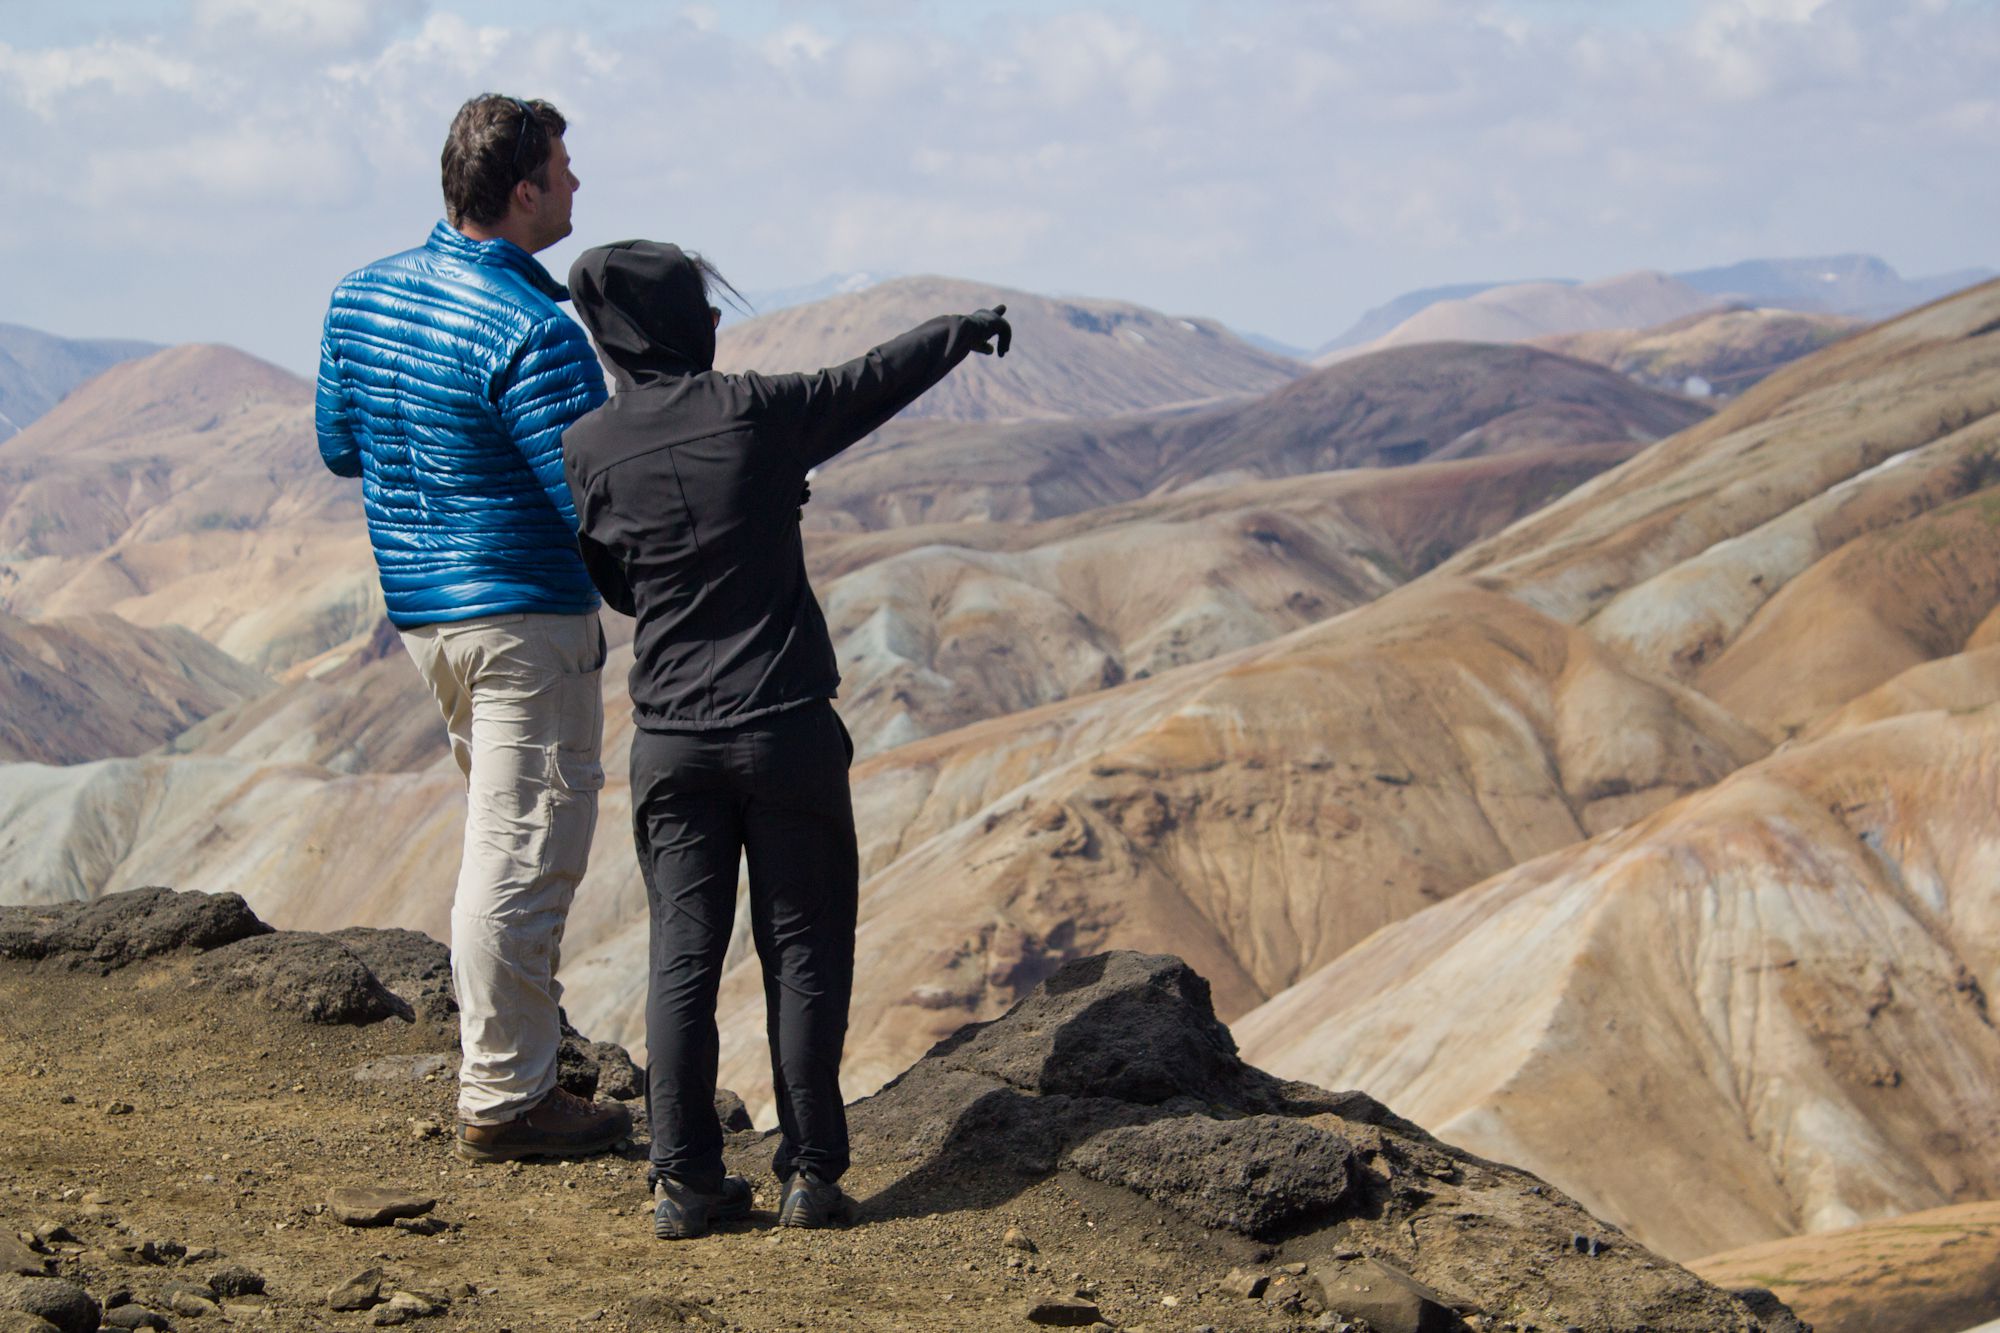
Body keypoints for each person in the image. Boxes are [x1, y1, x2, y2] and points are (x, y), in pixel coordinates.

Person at [561, 240, 1012, 1238]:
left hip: (672, 741)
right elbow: (869, 383)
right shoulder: (754, 413)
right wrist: (959, 331)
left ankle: (682, 1183)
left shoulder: (588, 446)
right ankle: (810, 1174)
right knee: (801, 951)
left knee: (681, 956)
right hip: (784, 731)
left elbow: (620, 583)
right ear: (686, 321)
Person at [314, 93, 630, 1163]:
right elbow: (587, 495)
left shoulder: (358, 299)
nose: (579, 184)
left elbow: (339, 447)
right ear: (525, 189)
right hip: (524, 620)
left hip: (423, 617)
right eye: (566, 167)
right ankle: (506, 1096)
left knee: (505, 838)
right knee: (523, 852)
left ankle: (522, 1066)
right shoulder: (533, 330)